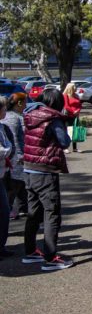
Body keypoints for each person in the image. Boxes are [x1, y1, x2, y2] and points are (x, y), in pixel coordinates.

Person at [21, 89, 73, 271]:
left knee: (33, 212)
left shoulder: (29, 114)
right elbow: (65, 142)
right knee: (52, 214)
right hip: (45, 171)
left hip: (28, 168)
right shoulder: (53, 118)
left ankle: (30, 251)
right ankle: (51, 257)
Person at [3, 93, 27, 219]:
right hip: (14, 156)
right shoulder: (13, 118)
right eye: (25, 102)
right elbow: (14, 139)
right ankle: (9, 209)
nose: (26, 104)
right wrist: (19, 155)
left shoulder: (16, 116)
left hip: (14, 155)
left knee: (22, 182)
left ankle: (23, 207)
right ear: (19, 103)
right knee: (14, 184)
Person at [0, 96, 14, 257]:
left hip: (2, 173)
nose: (5, 111)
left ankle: (1, 247)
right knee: (3, 211)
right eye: (3, 109)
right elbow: (3, 150)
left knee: (4, 211)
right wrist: (9, 148)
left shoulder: (2, 127)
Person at [62, 83, 82, 152]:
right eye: (74, 87)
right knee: (68, 131)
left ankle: (75, 148)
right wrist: (73, 111)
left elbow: (79, 104)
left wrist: (78, 111)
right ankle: (65, 147)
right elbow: (66, 106)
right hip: (68, 115)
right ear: (70, 88)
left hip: (75, 116)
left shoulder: (76, 95)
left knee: (75, 131)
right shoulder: (65, 95)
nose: (76, 88)